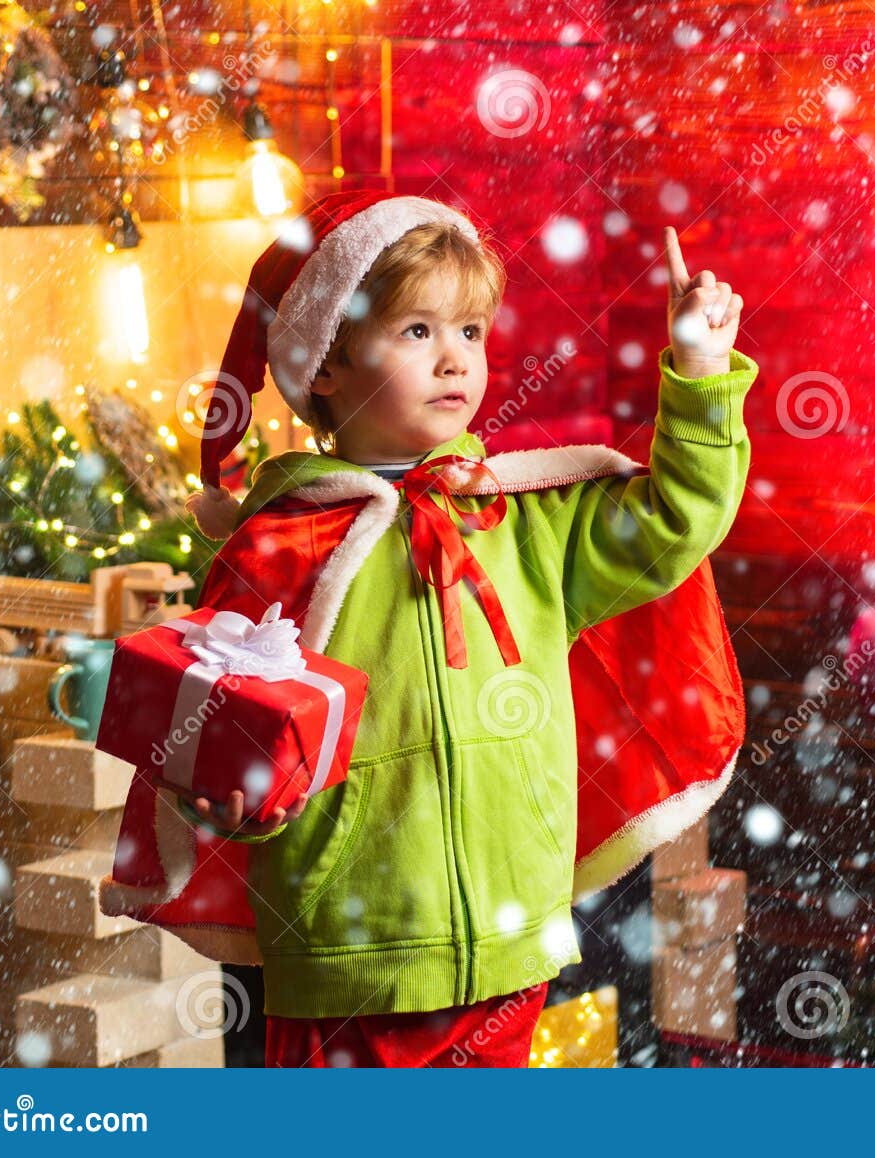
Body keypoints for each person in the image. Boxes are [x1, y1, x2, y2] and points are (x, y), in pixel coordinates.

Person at [99, 191, 757, 1067]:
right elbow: (234, 723)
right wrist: (231, 802)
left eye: (472, 334)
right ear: (324, 365)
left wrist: (702, 375)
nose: (456, 360)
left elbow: (678, 520)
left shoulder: (523, 521)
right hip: (349, 952)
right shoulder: (279, 544)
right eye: (417, 333)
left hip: (506, 937)